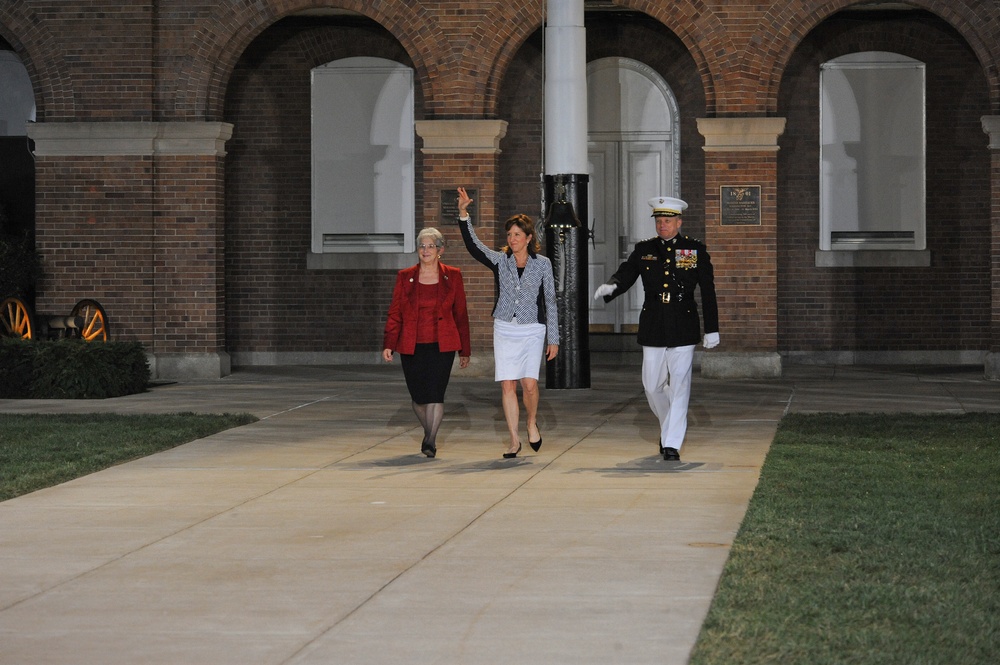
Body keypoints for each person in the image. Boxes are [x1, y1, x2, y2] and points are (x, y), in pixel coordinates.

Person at [593, 195, 719, 462]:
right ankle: (667, 426)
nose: (663, 225)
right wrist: (613, 286)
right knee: (652, 386)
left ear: (679, 222)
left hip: (683, 323)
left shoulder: (694, 250)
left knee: (681, 383)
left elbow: (708, 291)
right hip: (654, 323)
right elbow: (627, 273)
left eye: (668, 221)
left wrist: (712, 329)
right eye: (659, 221)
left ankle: (672, 443)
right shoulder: (644, 249)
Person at [456, 186, 559, 459]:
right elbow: (474, 247)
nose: (512, 239)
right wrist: (463, 213)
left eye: (517, 235)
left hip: (532, 330)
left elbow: (550, 301)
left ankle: (531, 421)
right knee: (507, 384)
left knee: (529, 385)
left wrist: (554, 339)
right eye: (509, 235)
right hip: (504, 327)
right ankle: (514, 440)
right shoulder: (501, 261)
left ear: (528, 238)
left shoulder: (543, 264)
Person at [382, 227, 471, 458]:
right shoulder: (405, 277)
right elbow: (395, 313)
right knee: (419, 398)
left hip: (443, 346)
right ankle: (428, 431)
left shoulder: (453, 275)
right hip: (412, 345)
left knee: (435, 394)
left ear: (440, 250)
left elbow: (460, 314)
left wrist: (465, 350)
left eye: (431, 245)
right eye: (422, 245)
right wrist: (389, 343)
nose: (426, 250)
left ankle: (430, 440)